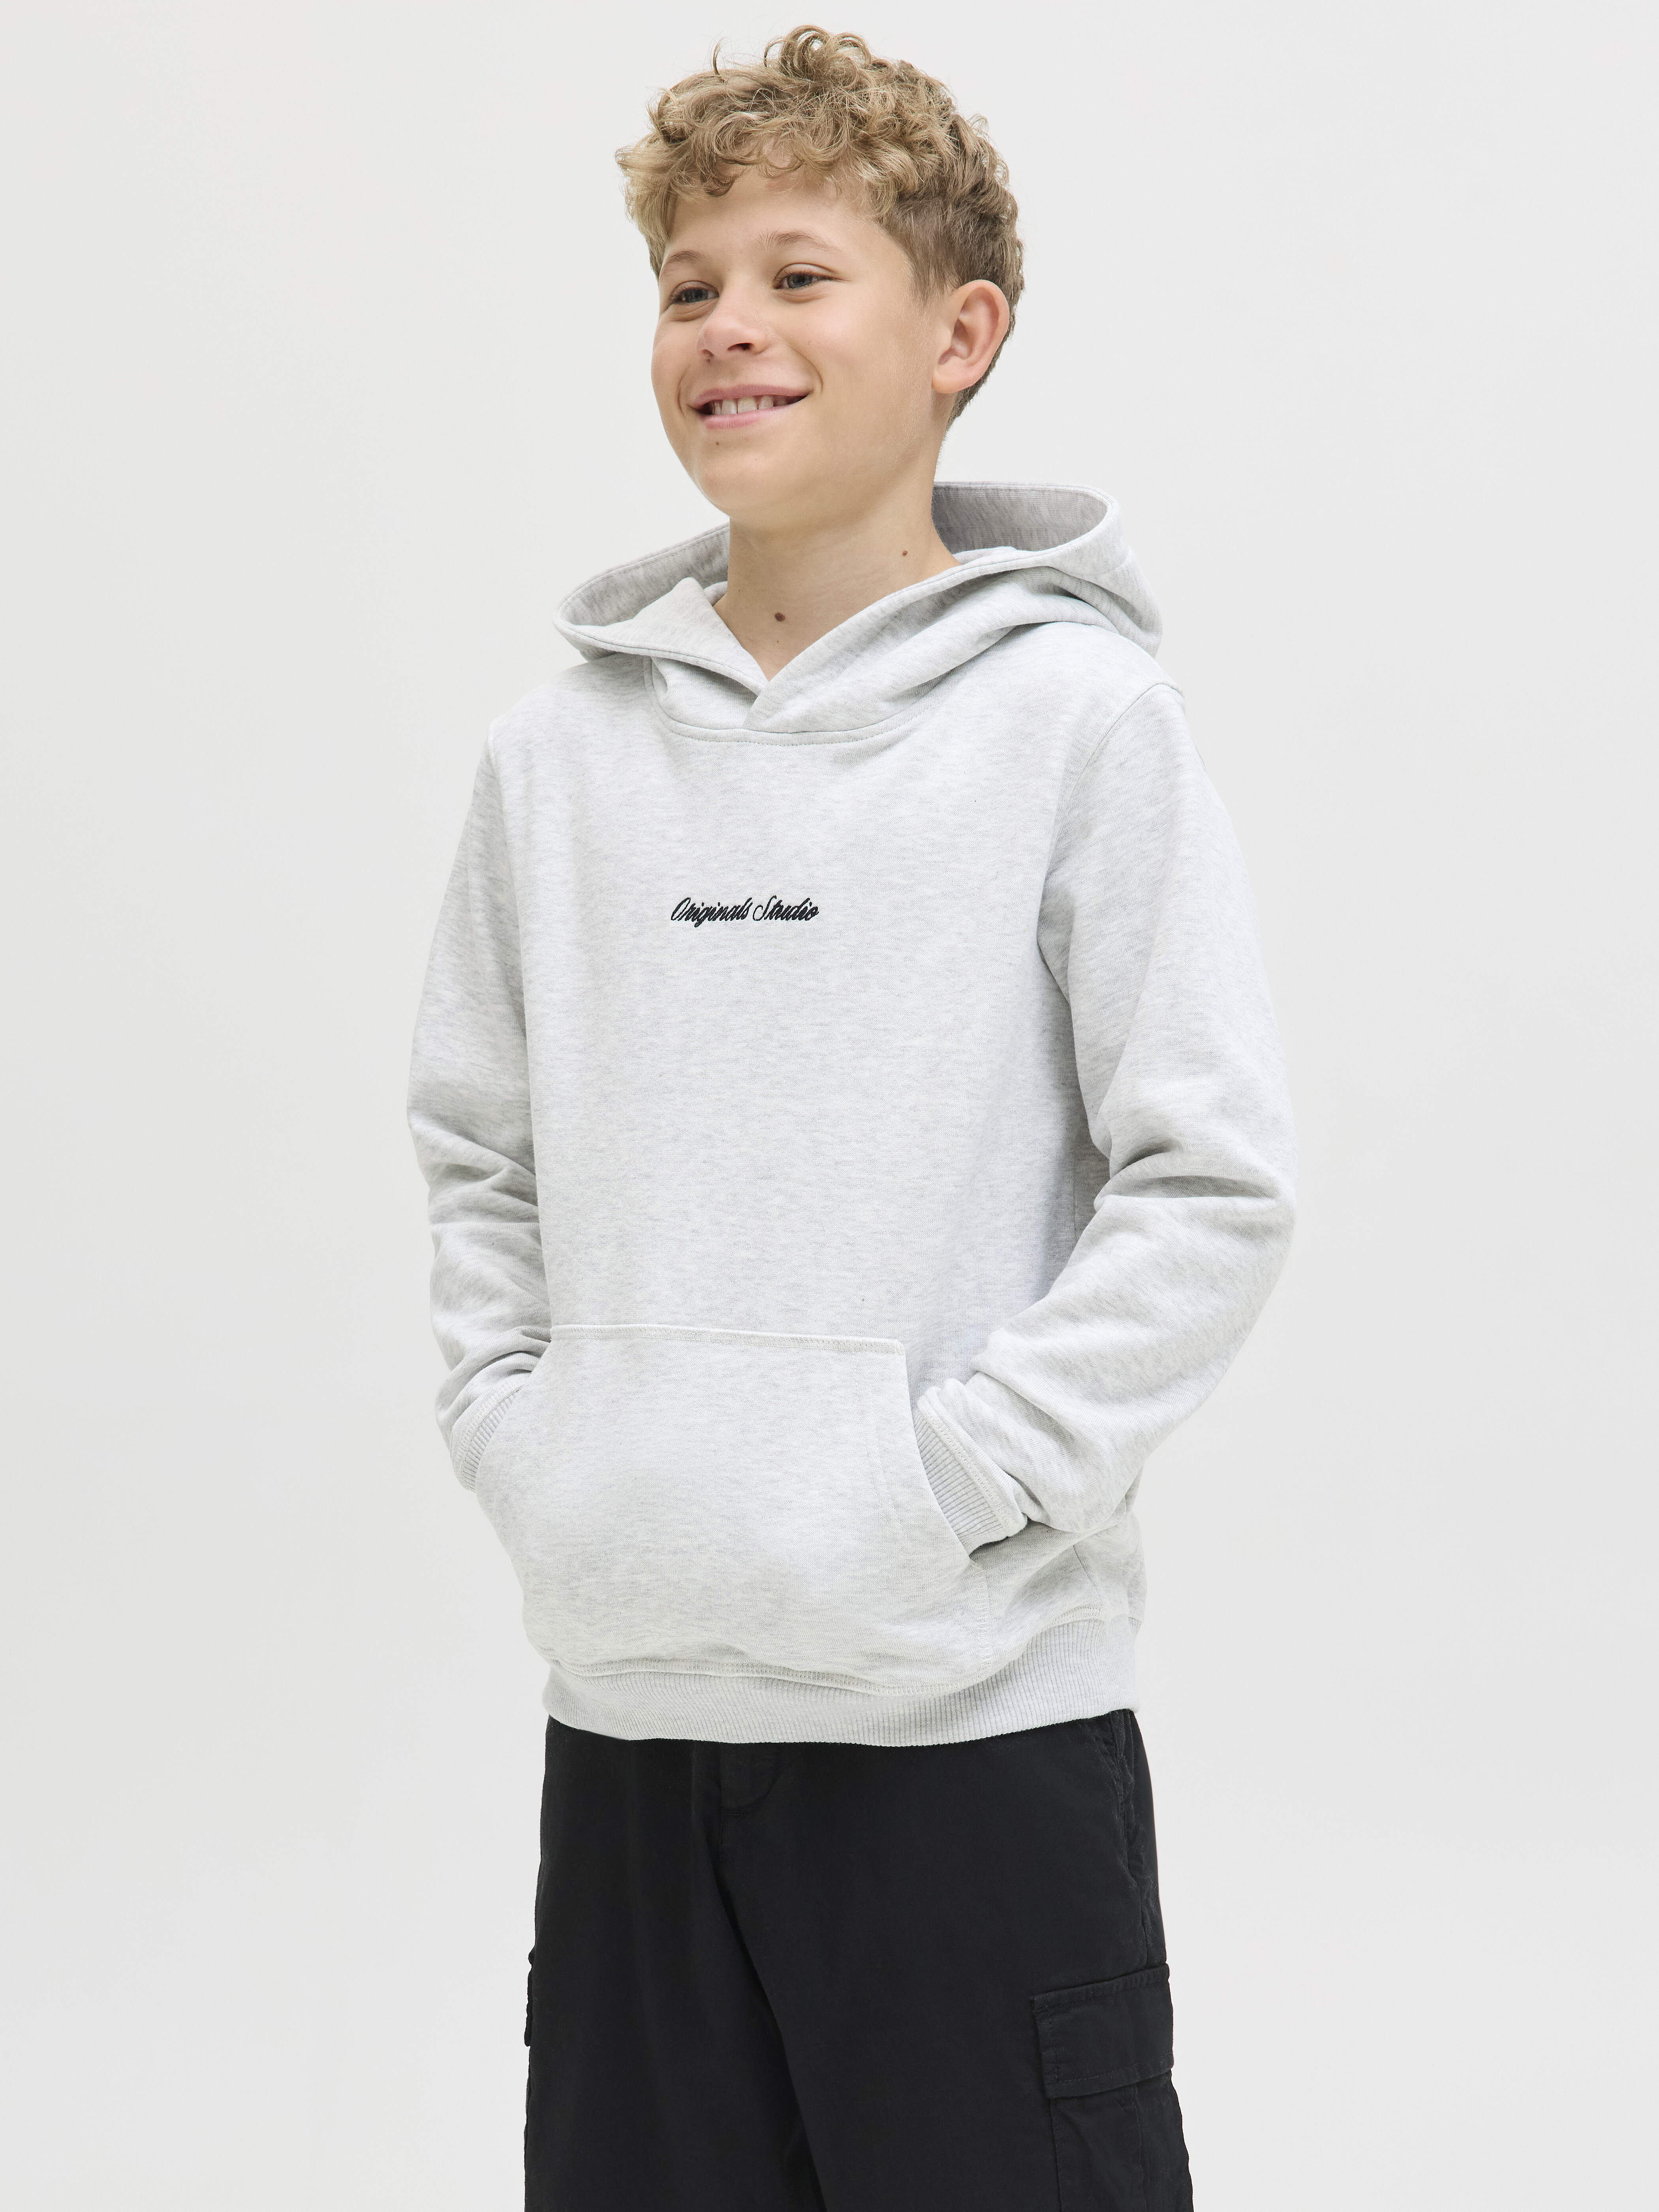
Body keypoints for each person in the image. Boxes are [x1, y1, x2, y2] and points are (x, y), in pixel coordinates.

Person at [407, 25, 1295, 2209]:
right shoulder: (554, 761)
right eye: (689, 284)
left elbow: (1208, 1180)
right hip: (635, 1730)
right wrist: (535, 1444)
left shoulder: (1083, 722)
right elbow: (478, 1152)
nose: (731, 326)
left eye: (800, 275)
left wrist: (950, 1486)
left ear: (959, 336)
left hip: (969, 1741)